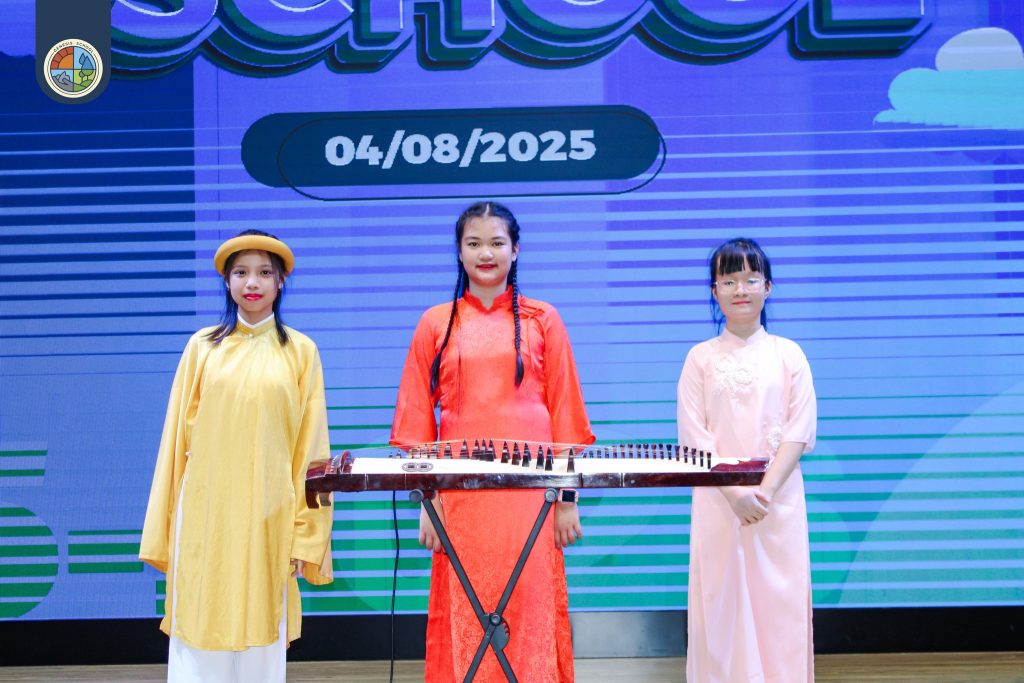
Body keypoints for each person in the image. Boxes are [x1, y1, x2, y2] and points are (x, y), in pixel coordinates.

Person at [390, 201, 594, 682]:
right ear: (459, 252)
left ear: (515, 250)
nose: (486, 253)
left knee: (530, 605)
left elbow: (566, 414)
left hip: (533, 500)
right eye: (474, 243)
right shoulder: (436, 323)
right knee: (468, 606)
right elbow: (418, 422)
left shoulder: (544, 319)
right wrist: (428, 503)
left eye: (497, 243)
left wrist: (567, 499)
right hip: (460, 500)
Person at [140, 230, 334, 683]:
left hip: (269, 519)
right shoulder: (202, 347)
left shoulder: (300, 352)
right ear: (227, 282)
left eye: (264, 272)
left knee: (262, 648)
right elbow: (174, 445)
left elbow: (312, 453)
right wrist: (164, 527)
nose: (252, 282)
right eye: (241, 272)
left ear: (280, 281)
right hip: (205, 518)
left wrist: (304, 538)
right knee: (198, 638)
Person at [677, 237, 816, 683]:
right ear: (714, 291)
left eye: (751, 279)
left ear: (768, 287)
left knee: (780, 608)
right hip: (719, 500)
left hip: (779, 502)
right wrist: (736, 495)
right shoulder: (699, 359)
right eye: (729, 280)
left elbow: (798, 431)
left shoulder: (789, 354)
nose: (741, 289)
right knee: (721, 606)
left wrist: (765, 492)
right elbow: (694, 438)